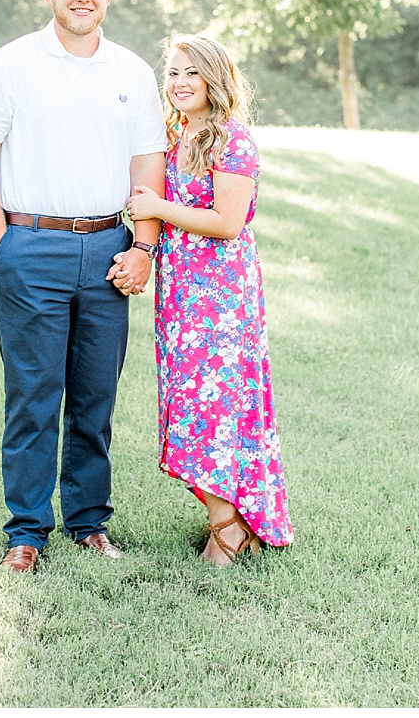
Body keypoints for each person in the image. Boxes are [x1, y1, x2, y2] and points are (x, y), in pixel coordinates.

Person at [0, 0, 168, 572]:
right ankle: (26, 531)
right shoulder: (10, 64)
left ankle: (88, 523)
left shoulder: (131, 72)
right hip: (31, 247)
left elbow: (148, 165)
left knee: (95, 397)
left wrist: (144, 246)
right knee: (33, 395)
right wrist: (3, 246)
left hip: (109, 247)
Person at [123, 33, 293, 563]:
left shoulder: (231, 141)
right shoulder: (177, 140)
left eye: (191, 73)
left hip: (220, 297)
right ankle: (231, 514)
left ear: (215, 79)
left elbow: (226, 222)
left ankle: (230, 527)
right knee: (189, 404)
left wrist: (157, 206)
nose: (178, 83)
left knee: (213, 404)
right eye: (172, 72)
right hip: (181, 294)